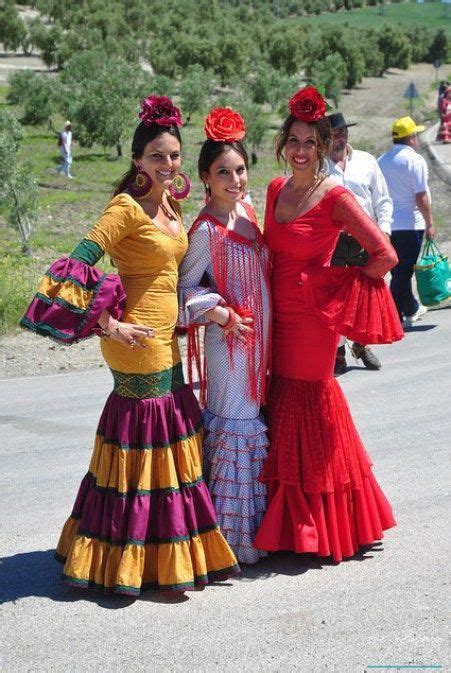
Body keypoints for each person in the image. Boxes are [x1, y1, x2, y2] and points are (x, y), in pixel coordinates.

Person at [21, 95, 239, 595]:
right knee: (150, 445)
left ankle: (155, 552)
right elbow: (74, 266)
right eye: (157, 156)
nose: (168, 165)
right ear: (137, 161)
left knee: (166, 441)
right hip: (136, 339)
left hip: (167, 337)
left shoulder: (168, 203)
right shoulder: (123, 207)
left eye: (175, 156)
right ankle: (136, 559)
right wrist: (108, 325)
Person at [253, 86, 402, 563]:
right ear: (283, 142)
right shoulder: (275, 189)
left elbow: (384, 254)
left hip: (314, 324)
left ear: (324, 147)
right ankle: (285, 523)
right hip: (275, 319)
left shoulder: (335, 195)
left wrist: (337, 291)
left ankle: (323, 525)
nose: (300, 151)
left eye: (310, 143)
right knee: (280, 403)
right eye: (294, 141)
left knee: (312, 404)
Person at [178, 107, 271, 564]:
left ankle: (254, 528)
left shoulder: (249, 214)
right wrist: (219, 314)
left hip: (260, 345)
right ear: (205, 178)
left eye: (240, 169)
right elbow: (185, 290)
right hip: (229, 345)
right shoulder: (204, 231)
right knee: (236, 424)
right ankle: (233, 540)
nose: (235, 179)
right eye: (223, 172)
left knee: (252, 419)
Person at [325, 111, 393, 375]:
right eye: (332, 135)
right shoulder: (318, 167)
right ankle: (338, 351)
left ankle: (361, 345)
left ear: (347, 134)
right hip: (335, 242)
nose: (338, 139)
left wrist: (384, 232)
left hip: (366, 238)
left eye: (341, 133)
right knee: (338, 298)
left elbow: (383, 200)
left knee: (365, 296)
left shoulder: (366, 161)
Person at [378, 116, 435, 326]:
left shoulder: (381, 160)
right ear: (411, 137)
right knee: (404, 271)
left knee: (398, 270)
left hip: (387, 225)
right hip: (411, 223)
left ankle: (410, 309)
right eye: (416, 135)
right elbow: (421, 196)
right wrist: (430, 222)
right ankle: (392, 316)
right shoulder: (415, 160)